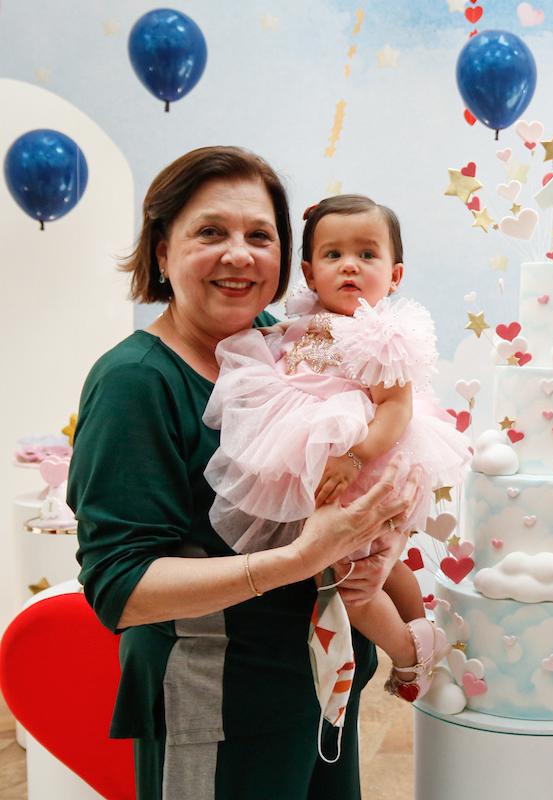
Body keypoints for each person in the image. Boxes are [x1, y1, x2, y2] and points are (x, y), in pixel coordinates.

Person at [69, 147, 423, 799]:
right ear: (160, 252)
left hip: (322, 681)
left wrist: (378, 530)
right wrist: (301, 557)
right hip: (218, 705)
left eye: (260, 236)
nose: (240, 255)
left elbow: (374, 443)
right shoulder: (135, 384)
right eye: (211, 232)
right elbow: (121, 585)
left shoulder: (284, 344)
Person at [204, 194, 470, 723]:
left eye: (367, 255)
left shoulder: (383, 333)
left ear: (394, 275)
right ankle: (424, 627)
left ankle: (410, 654)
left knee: (355, 584)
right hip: (327, 470)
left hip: (369, 468)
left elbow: (395, 409)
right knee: (380, 563)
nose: (350, 265)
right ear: (308, 272)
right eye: (333, 255)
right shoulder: (300, 323)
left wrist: (353, 454)